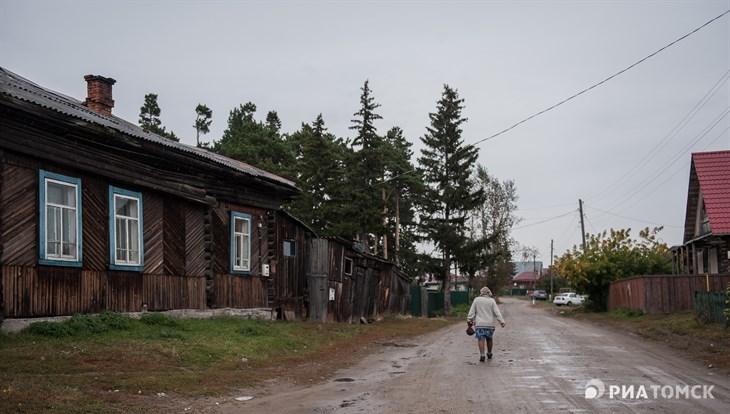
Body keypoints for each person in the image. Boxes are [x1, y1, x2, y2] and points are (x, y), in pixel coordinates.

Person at [466, 287, 505, 362]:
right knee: (489, 338)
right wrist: (502, 321)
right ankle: (489, 353)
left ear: (481, 292)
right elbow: (497, 312)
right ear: (489, 293)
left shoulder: (476, 300)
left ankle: (482, 355)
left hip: (480, 324)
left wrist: (469, 319)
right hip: (490, 324)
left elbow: (472, 311)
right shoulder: (492, 301)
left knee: (481, 339)